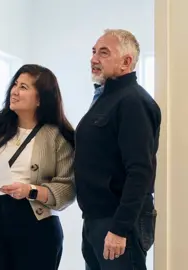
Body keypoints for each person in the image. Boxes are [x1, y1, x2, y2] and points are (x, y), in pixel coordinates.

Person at [0, 64, 76, 270]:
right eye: (15, 84)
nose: (14, 91)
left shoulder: (56, 137)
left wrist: (30, 191)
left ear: (40, 99)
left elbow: (67, 188)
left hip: (35, 226)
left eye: (23, 87)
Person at [75, 29, 161, 270]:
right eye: (93, 51)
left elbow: (140, 171)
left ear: (126, 62)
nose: (94, 58)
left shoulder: (133, 102)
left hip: (117, 222)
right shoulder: (106, 98)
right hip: (95, 219)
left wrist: (119, 229)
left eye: (103, 52)